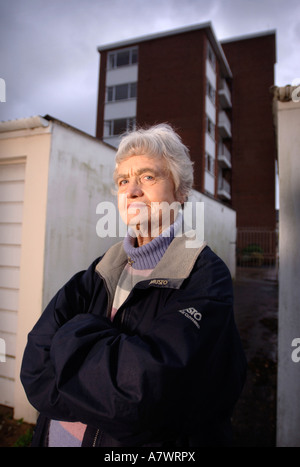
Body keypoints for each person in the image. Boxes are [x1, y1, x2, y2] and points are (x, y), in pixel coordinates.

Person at [21, 124, 247, 447]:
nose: (132, 191)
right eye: (123, 181)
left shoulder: (204, 276)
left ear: (180, 192)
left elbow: (141, 393)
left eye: (147, 177)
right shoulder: (102, 269)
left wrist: (73, 341)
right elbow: (33, 366)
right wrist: (100, 392)